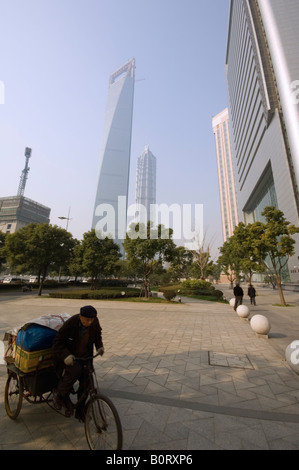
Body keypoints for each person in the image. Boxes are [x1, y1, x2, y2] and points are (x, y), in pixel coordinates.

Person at [52, 305, 104, 420]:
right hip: (68, 358)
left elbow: (97, 336)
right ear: (80, 317)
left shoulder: (94, 322)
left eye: (91, 320)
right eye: (86, 320)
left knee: (87, 381)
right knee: (75, 370)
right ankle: (59, 394)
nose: (89, 322)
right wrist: (66, 356)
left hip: (85, 357)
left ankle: (80, 411)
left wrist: (99, 347)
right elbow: (57, 342)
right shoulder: (71, 323)